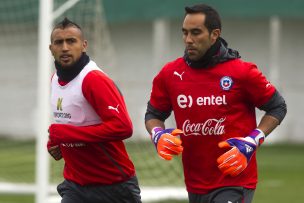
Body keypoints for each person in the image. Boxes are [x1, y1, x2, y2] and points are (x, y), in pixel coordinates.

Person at [145, 4, 287, 203]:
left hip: (234, 179)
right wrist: (157, 134)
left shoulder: (241, 72)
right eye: (185, 33)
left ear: (214, 34)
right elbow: (153, 114)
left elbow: (278, 106)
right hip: (194, 182)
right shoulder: (170, 74)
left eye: (196, 33)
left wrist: (252, 141)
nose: (188, 40)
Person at [47, 17, 142, 203]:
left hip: (113, 186)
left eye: (71, 41)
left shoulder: (93, 79)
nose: (65, 47)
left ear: (83, 45)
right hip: (75, 185)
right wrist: (55, 143)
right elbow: (68, 125)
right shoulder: (54, 80)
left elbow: (123, 127)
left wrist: (67, 134)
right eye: (59, 42)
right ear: (51, 49)